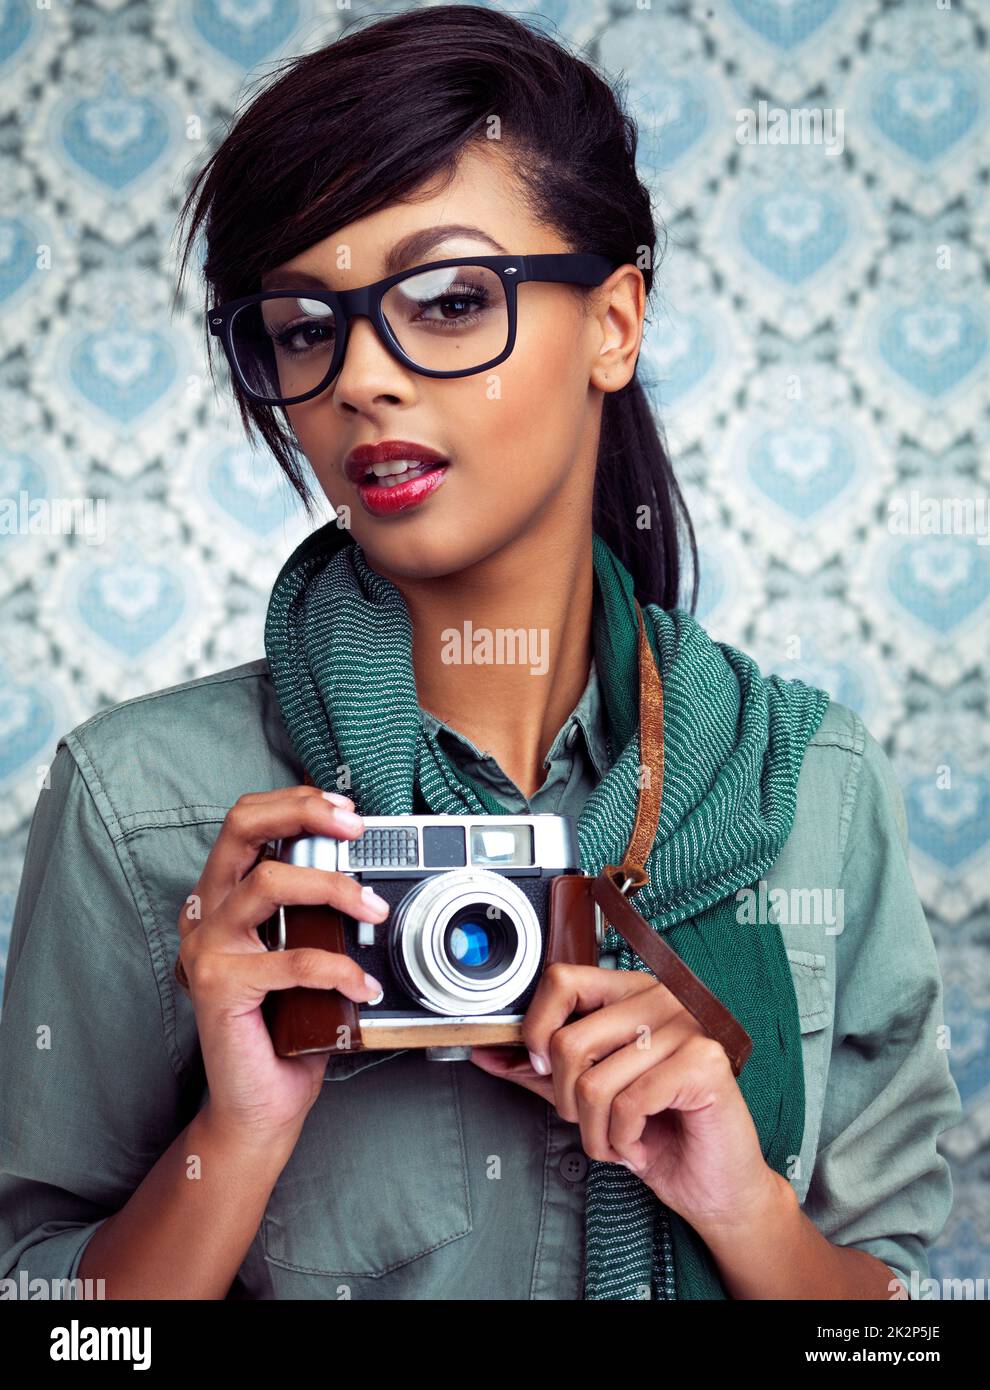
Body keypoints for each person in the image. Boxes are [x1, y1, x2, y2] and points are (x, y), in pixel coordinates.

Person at [0, 5, 961, 1301]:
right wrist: (231, 1139)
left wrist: (747, 1214)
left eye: (449, 301)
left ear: (614, 322)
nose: (360, 381)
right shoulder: (144, 806)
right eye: (300, 325)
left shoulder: (810, 784)